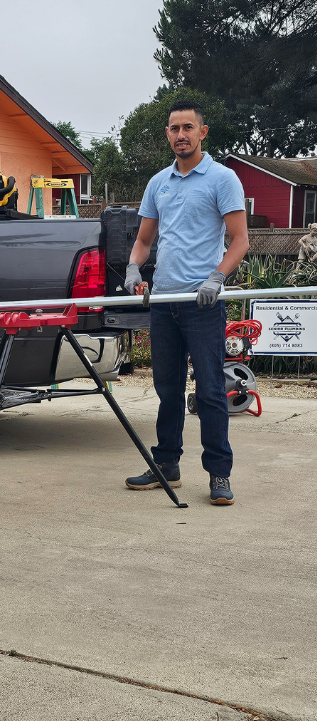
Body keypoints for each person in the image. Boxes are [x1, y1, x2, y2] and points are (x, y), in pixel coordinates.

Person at [124, 99, 248, 505]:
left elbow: (240, 240)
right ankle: (167, 465)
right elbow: (144, 241)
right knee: (167, 389)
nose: (181, 135)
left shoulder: (222, 178)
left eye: (188, 128)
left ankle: (219, 475)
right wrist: (132, 270)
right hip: (163, 301)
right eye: (174, 129)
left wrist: (217, 277)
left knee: (211, 390)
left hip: (202, 303)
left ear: (202, 132)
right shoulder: (158, 182)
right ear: (168, 134)